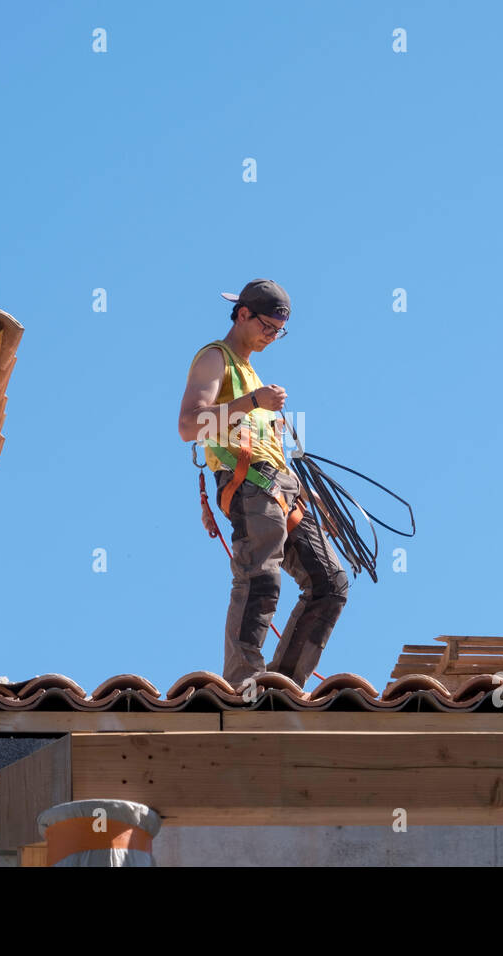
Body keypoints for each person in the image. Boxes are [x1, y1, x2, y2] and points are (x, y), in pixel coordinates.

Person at [178, 279, 349, 688]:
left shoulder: (251, 373)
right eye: (267, 328)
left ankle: (280, 687)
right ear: (242, 315)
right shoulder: (215, 358)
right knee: (260, 578)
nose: (271, 338)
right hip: (250, 485)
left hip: (282, 489)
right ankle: (243, 685)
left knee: (331, 584)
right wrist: (253, 402)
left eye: (278, 331)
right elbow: (189, 426)